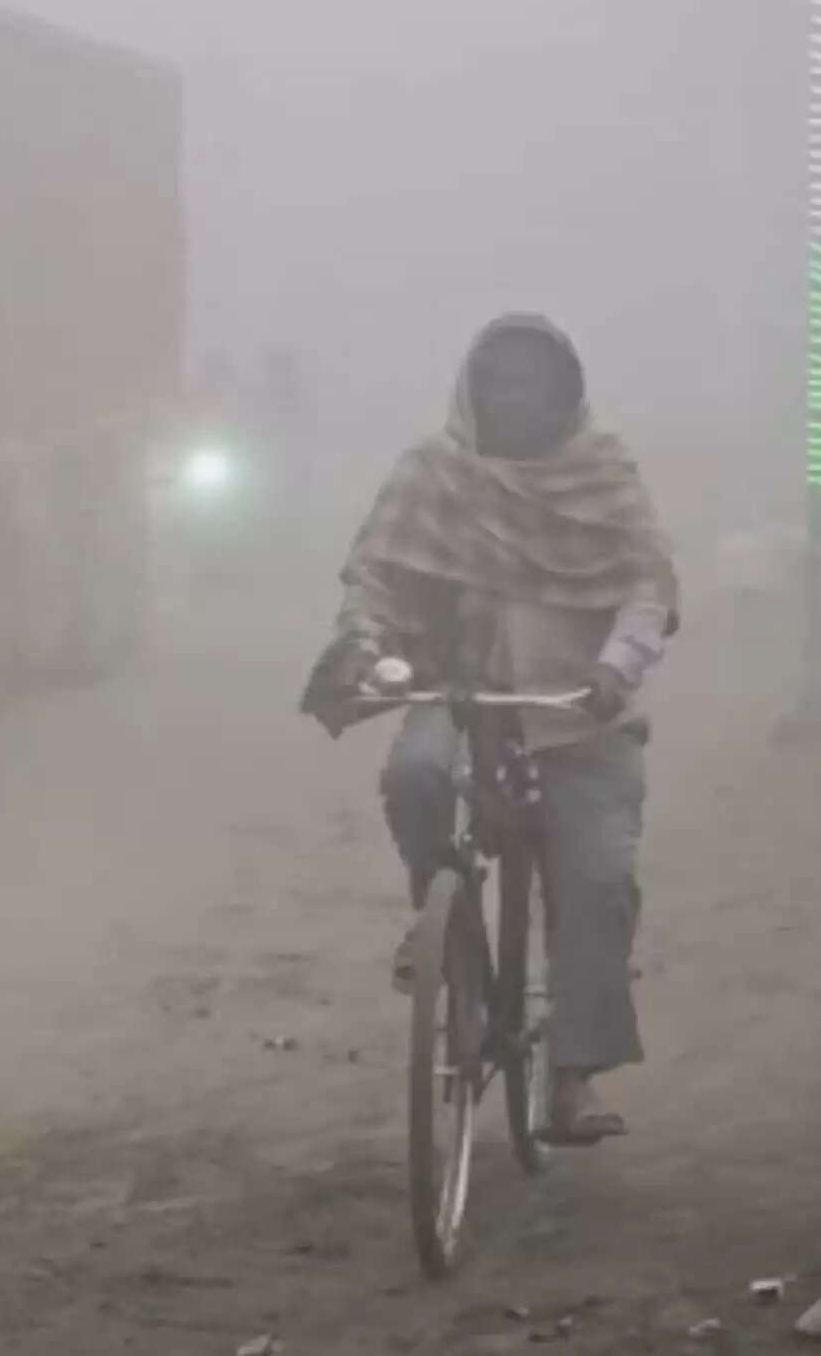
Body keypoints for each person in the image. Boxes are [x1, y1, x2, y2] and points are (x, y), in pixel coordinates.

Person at [300, 314, 676, 1145]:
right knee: (414, 778)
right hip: (460, 692)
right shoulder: (435, 472)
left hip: (580, 709)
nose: (514, 397)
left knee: (597, 877)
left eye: (532, 382)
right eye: (498, 381)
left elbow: (645, 586)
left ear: (564, 389)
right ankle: (442, 935)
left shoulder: (602, 474)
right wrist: (363, 643)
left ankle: (572, 1077)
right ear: (473, 389)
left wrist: (615, 668)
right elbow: (375, 577)